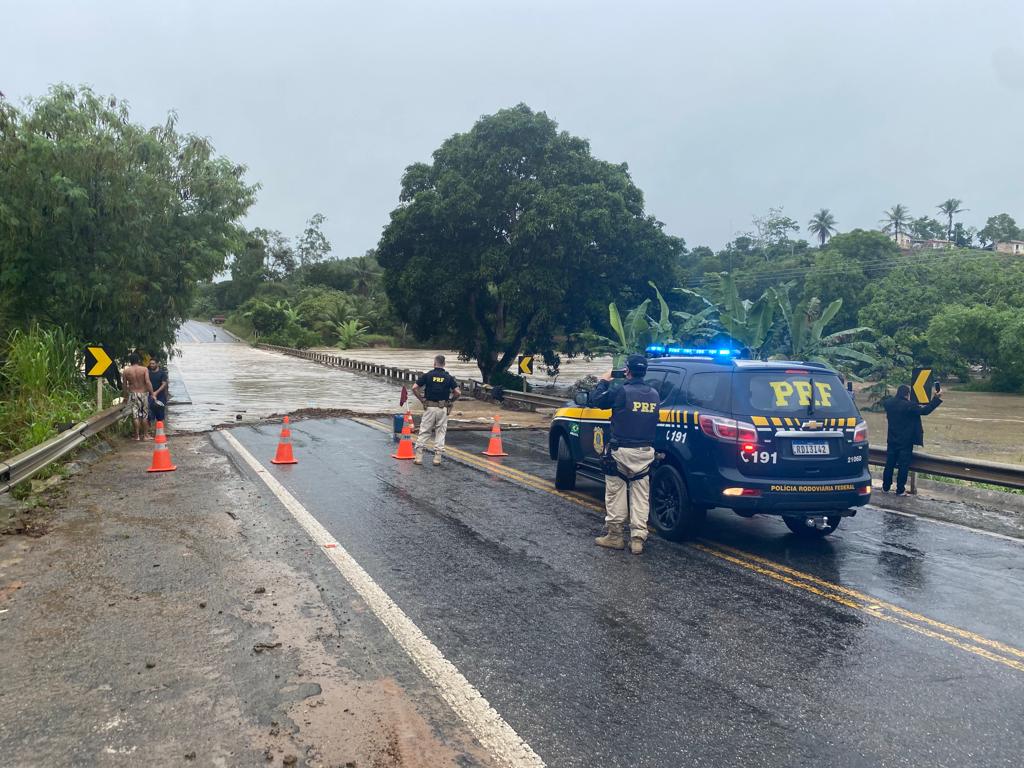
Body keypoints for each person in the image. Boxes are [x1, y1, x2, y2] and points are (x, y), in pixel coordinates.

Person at [589, 354, 660, 555]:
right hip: (645, 452)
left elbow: (596, 400)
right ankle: (637, 539)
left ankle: (615, 536)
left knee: (616, 493)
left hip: (621, 452)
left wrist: (604, 380)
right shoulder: (655, 394)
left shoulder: (622, 392)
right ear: (644, 372)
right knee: (640, 496)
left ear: (627, 371)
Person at [882, 381, 943, 495]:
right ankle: (900, 490)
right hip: (905, 442)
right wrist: (936, 399)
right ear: (907, 394)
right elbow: (925, 411)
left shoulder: (888, 403)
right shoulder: (910, 406)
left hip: (891, 440)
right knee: (903, 466)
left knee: (889, 464)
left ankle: (885, 487)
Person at [411, 355, 461, 466]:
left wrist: (422, 400)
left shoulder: (428, 375)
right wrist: (451, 401)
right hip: (443, 408)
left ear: (434, 363)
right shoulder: (448, 377)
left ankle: (418, 458)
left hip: (429, 407)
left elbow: (414, 387)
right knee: (440, 432)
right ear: (444, 364)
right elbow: (458, 392)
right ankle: (437, 459)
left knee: (424, 431)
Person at [121, 352, 154, 441]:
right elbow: (147, 382)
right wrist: (152, 393)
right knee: (144, 415)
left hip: (133, 395)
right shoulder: (144, 369)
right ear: (138, 360)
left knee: (135, 416)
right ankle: (146, 435)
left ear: (130, 361)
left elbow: (124, 385)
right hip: (143, 394)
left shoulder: (126, 371)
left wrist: (125, 397)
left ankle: (137, 436)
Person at [146, 357, 169, 437]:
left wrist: (156, 392)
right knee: (148, 415)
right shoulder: (148, 373)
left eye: (153, 363)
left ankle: (160, 432)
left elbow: (164, 384)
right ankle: (149, 432)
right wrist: (152, 394)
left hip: (160, 396)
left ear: (157, 364)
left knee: (160, 416)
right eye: (150, 363)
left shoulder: (162, 373)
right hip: (150, 396)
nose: (151, 365)